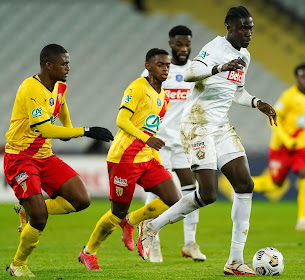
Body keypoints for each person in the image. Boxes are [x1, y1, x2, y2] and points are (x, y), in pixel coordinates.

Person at [136, 6, 277, 276]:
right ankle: (152, 226)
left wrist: (257, 102)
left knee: (245, 184)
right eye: (242, 27)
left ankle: (235, 260)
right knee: (208, 195)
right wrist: (219, 66)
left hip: (221, 127)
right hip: (197, 126)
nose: (248, 33)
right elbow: (190, 74)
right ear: (228, 27)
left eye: (251, 28)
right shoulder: (214, 48)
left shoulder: (244, 56)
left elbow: (236, 91)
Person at [4, 44, 114, 277]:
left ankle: (28, 210)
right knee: (40, 218)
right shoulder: (30, 89)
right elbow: (44, 129)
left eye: (68, 63)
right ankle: (18, 265)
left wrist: (69, 128)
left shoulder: (59, 86)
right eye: (63, 64)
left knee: (81, 199)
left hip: (44, 156)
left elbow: (60, 105)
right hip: (20, 158)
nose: (68, 68)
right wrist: (83, 131)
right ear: (48, 65)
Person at [78, 48, 182, 271]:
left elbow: (151, 131)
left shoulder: (164, 98)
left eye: (167, 65)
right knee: (116, 213)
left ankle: (132, 221)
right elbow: (121, 120)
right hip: (124, 158)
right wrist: (147, 139)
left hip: (147, 158)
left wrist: (157, 159)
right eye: (160, 64)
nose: (165, 68)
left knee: (174, 199)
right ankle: (88, 252)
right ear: (148, 67)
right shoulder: (137, 87)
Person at [141, 25, 206, 263]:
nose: (183, 49)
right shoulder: (156, 71)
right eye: (179, 44)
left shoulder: (195, 70)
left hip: (184, 141)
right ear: (171, 44)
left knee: (192, 189)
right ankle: (152, 238)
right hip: (159, 141)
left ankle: (190, 243)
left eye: (187, 44)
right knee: (158, 189)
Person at [254, 63, 305, 232]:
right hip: (281, 146)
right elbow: (274, 120)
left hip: (301, 146)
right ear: (297, 78)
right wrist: (287, 140)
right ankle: (244, 183)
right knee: (276, 184)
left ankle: (303, 221)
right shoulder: (288, 96)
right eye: (303, 77)